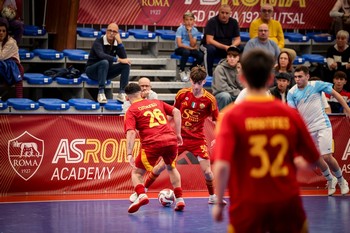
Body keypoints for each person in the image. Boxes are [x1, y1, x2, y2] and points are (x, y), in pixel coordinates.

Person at [212, 48, 322, 233]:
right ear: (271, 79)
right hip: (287, 204)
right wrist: (294, 161)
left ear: (242, 78)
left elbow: (222, 166)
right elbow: (313, 159)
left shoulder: (230, 116)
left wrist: (218, 201)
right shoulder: (290, 114)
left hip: (248, 205)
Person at [129, 66, 226, 205]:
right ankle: (142, 190)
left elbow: (217, 119)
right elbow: (173, 113)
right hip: (178, 138)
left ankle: (212, 197)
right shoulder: (182, 94)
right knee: (161, 166)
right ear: (190, 80)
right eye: (194, 82)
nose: (196, 86)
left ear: (204, 81)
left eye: (200, 83)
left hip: (198, 139)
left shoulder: (209, 99)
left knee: (208, 172)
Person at [287, 65, 350, 196]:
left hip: (323, 125)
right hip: (308, 130)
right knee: (316, 158)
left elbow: (336, 94)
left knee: (326, 156)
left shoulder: (317, 85)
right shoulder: (292, 93)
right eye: (295, 77)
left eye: (300, 77)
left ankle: (341, 180)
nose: (297, 79)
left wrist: (347, 109)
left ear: (307, 77)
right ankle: (330, 179)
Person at [124, 83, 185, 213]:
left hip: (152, 143)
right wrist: (178, 134)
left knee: (137, 173)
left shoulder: (131, 110)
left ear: (127, 98)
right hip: (170, 140)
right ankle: (180, 200)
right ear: (141, 93)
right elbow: (177, 111)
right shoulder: (157, 102)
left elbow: (131, 132)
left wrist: (129, 153)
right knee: (171, 168)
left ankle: (141, 195)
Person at [86, 23, 131, 104]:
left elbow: (124, 59)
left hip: (105, 72)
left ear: (117, 34)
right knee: (104, 62)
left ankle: (122, 92)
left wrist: (120, 42)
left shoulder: (116, 43)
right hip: (92, 71)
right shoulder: (98, 41)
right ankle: (101, 92)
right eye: (110, 30)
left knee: (126, 65)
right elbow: (101, 55)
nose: (111, 33)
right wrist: (118, 59)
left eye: (114, 32)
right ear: (106, 31)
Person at [200, 4, 241, 77]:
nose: (224, 15)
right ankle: (207, 74)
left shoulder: (234, 22)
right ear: (218, 12)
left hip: (226, 48)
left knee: (240, 48)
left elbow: (238, 39)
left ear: (230, 14)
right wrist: (225, 47)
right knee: (210, 49)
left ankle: (238, 74)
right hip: (210, 46)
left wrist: (232, 46)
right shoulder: (212, 21)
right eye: (222, 13)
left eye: (226, 13)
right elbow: (209, 40)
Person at [175, 11, 204, 82]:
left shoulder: (195, 30)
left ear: (194, 21)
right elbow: (179, 44)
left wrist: (189, 33)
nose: (189, 22)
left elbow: (193, 44)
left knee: (200, 55)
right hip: (180, 49)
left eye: (191, 20)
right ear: (184, 21)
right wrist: (191, 48)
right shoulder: (180, 29)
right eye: (187, 20)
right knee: (186, 52)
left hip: (190, 48)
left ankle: (190, 70)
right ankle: (181, 70)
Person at [212, 46, 243, 110]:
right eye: (230, 56)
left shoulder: (240, 68)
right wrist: (239, 93)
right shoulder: (220, 68)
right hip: (220, 95)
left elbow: (243, 86)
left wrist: (238, 73)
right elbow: (221, 88)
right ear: (227, 57)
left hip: (235, 93)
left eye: (234, 57)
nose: (232, 59)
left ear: (238, 58)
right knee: (225, 96)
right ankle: (220, 118)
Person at [0, 20, 22, 99]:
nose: (1, 33)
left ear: (7, 32)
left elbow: (1, 56)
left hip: (14, 67)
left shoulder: (11, 42)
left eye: (3, 31)